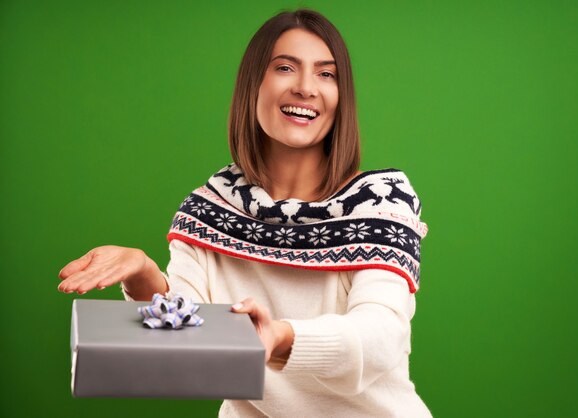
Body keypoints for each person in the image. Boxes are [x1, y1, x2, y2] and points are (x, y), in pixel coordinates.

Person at [58, 9, 432, 417]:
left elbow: (381, 337)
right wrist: (142, 271)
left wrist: (281, 337)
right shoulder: (210, 208)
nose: (306, 88)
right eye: (286, 68)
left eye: (326, 74)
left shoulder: (379, 202)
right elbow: (190, 334)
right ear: (254, 83)